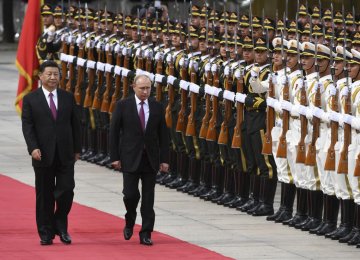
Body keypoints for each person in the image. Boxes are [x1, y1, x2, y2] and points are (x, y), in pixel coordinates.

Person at [21, 60, 81, 245]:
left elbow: (76, 125)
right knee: (45, 196)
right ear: (41, 76)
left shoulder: (67, 97)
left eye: (56, 74)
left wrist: (77, 148)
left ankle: (60, 224)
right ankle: (46, 233)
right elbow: (28, 126)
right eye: (49, 74)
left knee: (66, 190)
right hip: (43, 154)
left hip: (65, 153)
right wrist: (33, 148)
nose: (53, 77)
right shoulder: (31, 99)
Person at [110, 74, 169, 246]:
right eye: (142, 88)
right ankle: (130, 219)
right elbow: (114, 132)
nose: (145, 91)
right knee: (130, 194)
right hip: (130, 157)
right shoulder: (123, 106)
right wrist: (114, 157)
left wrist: (164, 159)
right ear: (133, 87)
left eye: (148, 88)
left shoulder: (157, 107)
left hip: (150, 158)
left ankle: (146, 232)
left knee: (148, 198)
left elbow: (163, 135)